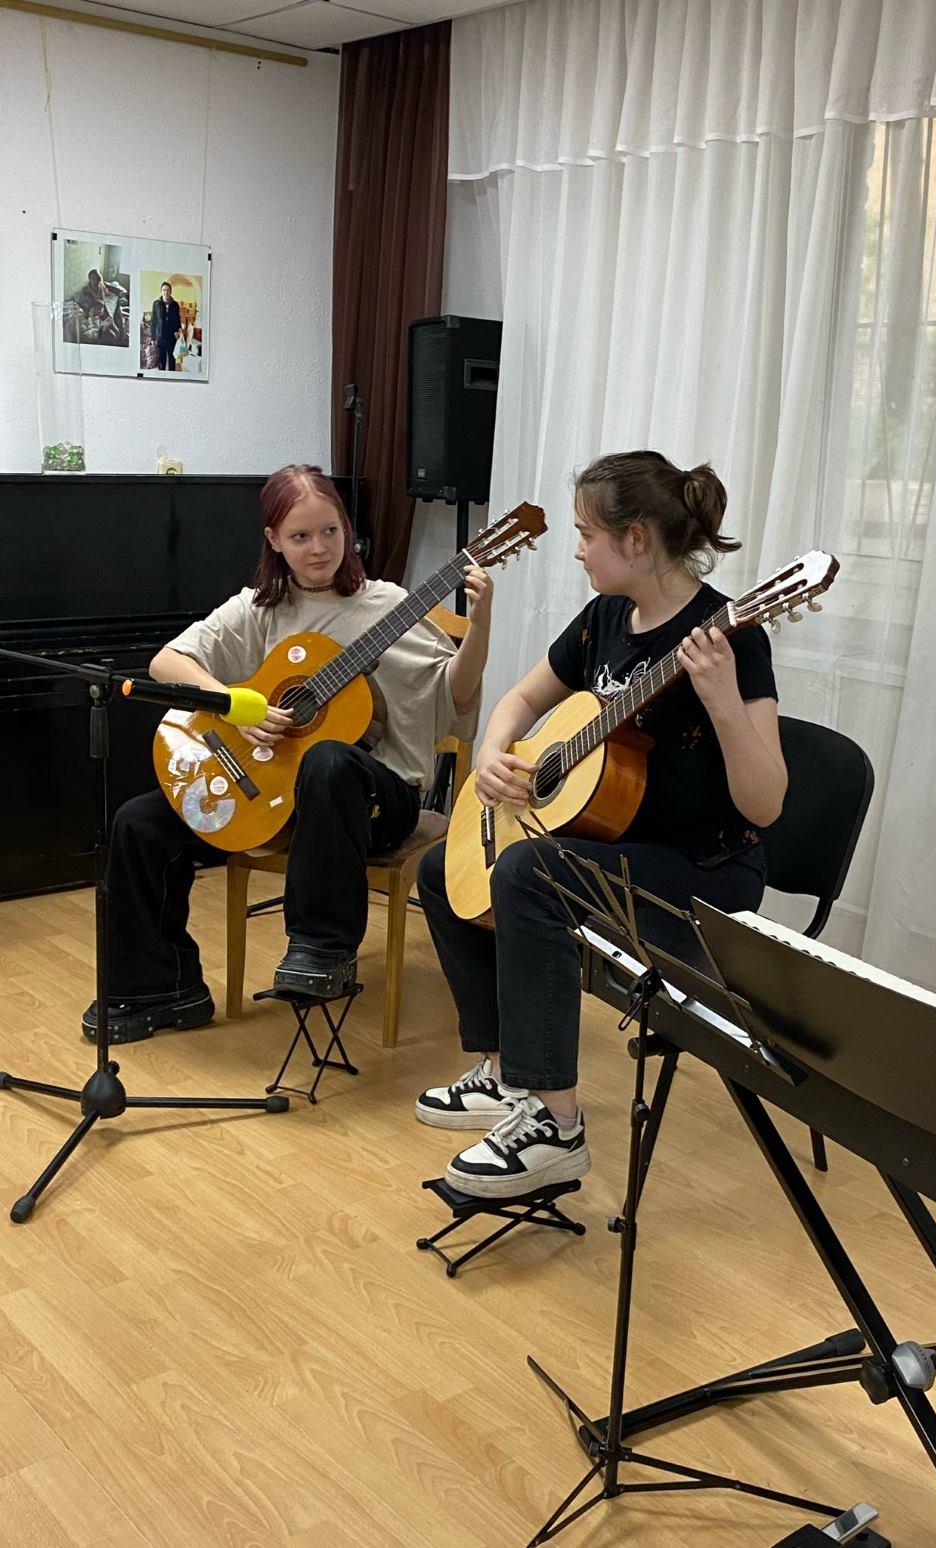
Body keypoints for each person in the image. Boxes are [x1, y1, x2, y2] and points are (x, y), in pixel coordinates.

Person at [415, 450, 785, 1197]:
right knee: (441, 867)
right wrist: (492, 754)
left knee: (526, 873)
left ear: (636, 539)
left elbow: (765, 803)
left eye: (587, 534)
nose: (578, 549)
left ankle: (556, 1124)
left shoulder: (731, 639)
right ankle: (502, 1072)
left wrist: (721, 702)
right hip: (609, 847)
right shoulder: (604, 619)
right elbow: (522, 701)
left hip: (703, 873)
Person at [82, 464, 491, 1044]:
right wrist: (235, 706)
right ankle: (160, 988)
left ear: (347, 529)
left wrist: (481, 624)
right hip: (281, 796)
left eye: (330, 531)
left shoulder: (389, 606)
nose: (319, 548)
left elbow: (456, 695)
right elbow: (166, 663)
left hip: (377, 798)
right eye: (300, 536)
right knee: (139, 823)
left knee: (329, 759)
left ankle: (321, 950)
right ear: (274, 540)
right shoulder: (259, 608)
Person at [151, 282, 181, 371]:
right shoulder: (156, 304)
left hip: (172, 337)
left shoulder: (175, 304)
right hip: (160, 337)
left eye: (168, 290)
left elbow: (177, 319)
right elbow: (153, 321)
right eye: (164, 290)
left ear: (171, 292)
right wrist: (153, 338)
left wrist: (177, 330)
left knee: (172, 360)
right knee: (161, 361)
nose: (166, 292)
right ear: (161, 291)